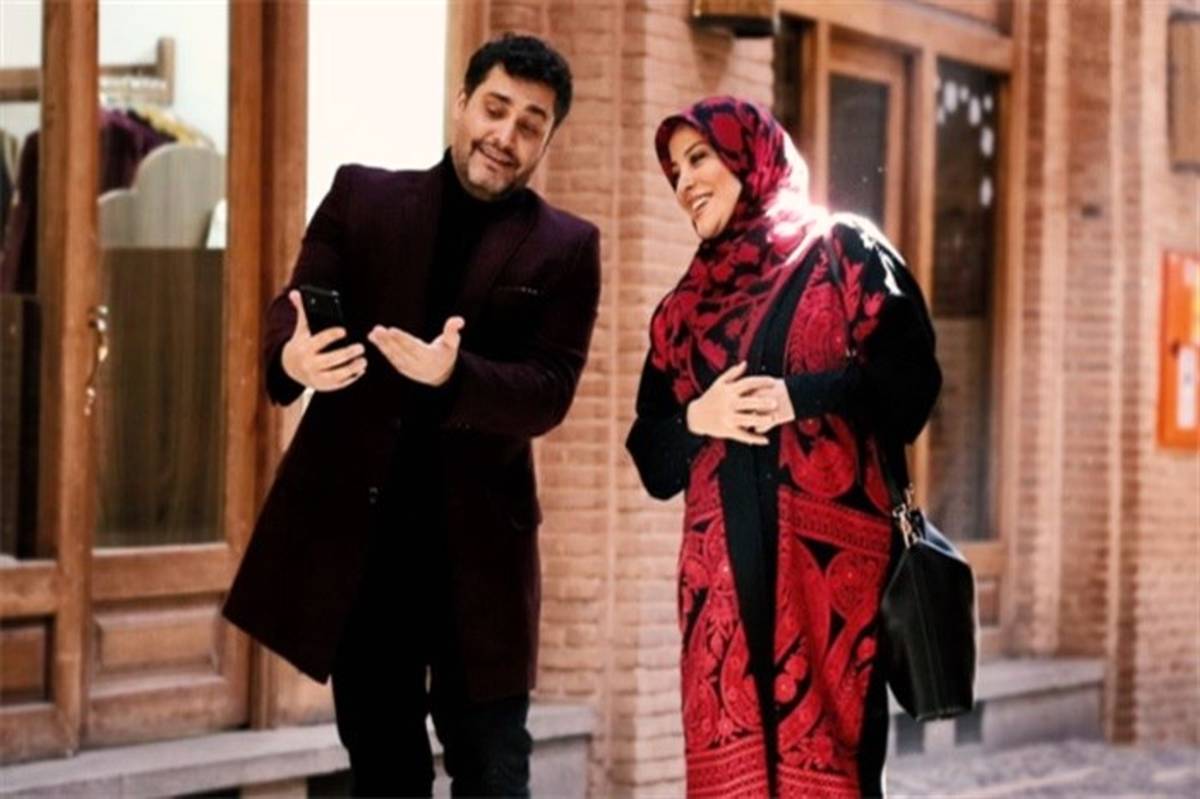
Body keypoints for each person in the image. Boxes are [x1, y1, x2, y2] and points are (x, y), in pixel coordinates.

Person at [223, 34, 601, 798]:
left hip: (482, 562)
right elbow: (295, 305)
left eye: (530, 123)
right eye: (495, 108)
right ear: (462, 103)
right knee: (384, 775)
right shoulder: (362, 196)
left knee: (495, 775)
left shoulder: (567, 246)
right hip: (365, 553)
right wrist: (293, 357)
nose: (506, 134)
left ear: (547, 140)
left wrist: (453, 376)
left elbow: (549, 388)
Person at [625, 97, 941, 798]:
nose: (684, 181)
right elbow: (650, 455)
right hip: (721, 600)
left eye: (699, 157)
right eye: (674, 170)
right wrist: (699, 416)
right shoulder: (682, 310)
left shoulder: (841, 251)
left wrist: (802, 396)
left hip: (832, 590)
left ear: (751, 156)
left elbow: (913, 381)